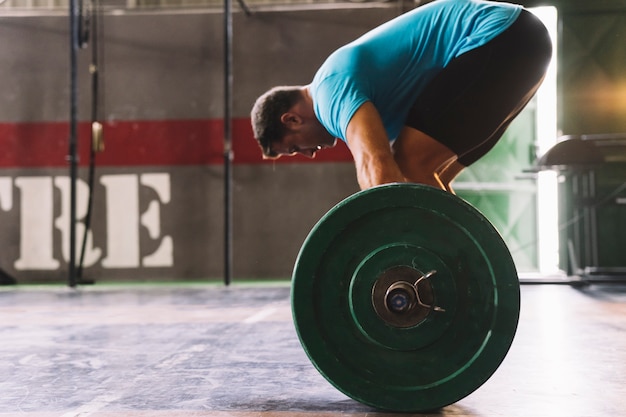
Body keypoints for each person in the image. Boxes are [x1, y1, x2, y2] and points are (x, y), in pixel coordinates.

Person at [250, 0, 552, 192]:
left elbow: (375, 166)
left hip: (501, 37)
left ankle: (457, 261)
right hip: (525, 44)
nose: (308, 153)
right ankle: (467, 269)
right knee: (432, 179)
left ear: (291, 119)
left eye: (294, 147)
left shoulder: (329, 92)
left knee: (407, 162)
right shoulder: (338, 90)